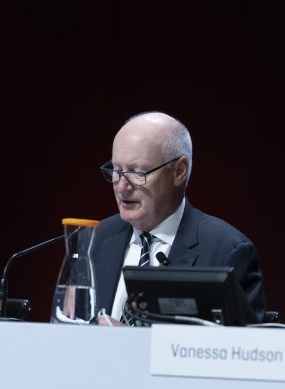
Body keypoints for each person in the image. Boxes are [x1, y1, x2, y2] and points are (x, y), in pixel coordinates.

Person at [93, 111, 266, 326]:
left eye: (138, 172)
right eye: (117, 170)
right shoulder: (93, 240)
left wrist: (133, 344)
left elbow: (244, 350)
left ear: (179, 171)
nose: (121, 186)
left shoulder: (227, 252)